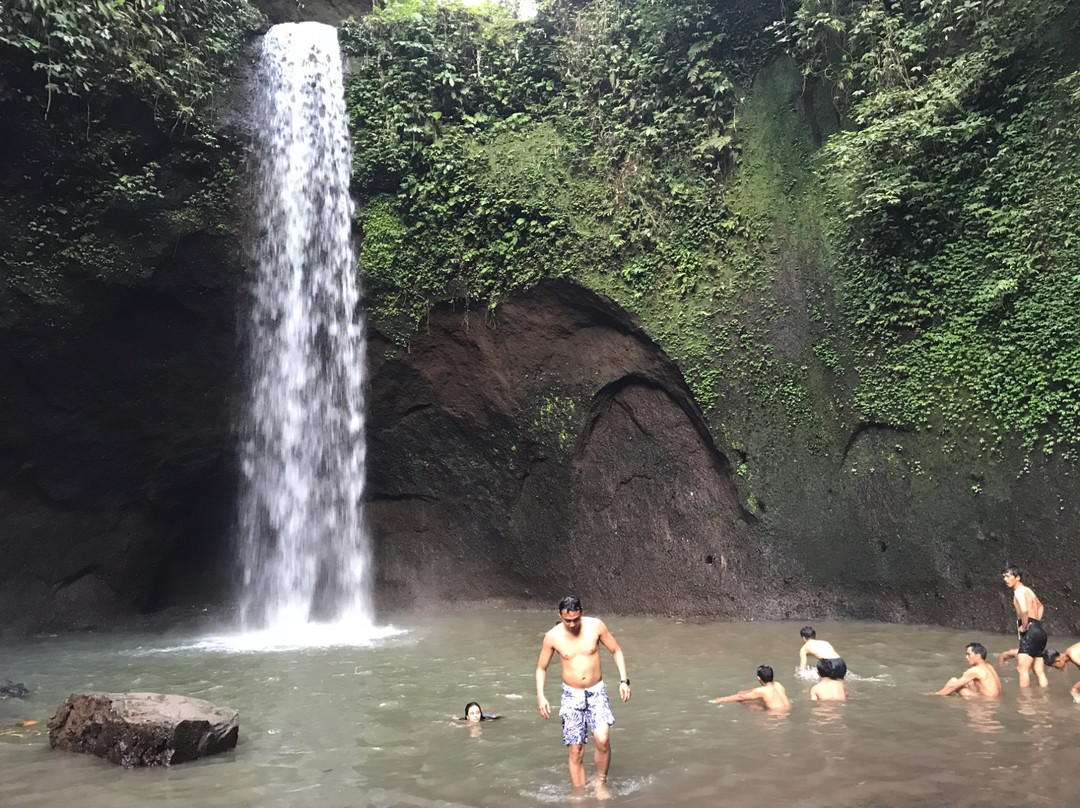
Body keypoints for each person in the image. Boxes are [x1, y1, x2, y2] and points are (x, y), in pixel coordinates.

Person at [536, 596, 630, 796]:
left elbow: (616, 650)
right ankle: (579, 794)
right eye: (567, 620)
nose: (571, 624)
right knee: (575, 749)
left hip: (596, 691)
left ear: (581, 613)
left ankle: (600, 782)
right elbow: (541, 668)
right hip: (571, 695)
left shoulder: (596, 626)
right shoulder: (552, 637)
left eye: (575, 619)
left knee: (602, 739)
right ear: (559, 616)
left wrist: (624, 680)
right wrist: (541, 696)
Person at [1002, 565, 1047, 687]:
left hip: (1030, 630)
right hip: (1040, 631)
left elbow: (1024, 610)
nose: (1005, 579)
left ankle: (1025, 702)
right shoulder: (1029, 591)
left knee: (1022, 670)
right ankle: (1044, 695)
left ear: (1017, 577)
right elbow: (1041, 606)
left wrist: (1025, 626)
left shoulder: (1018, 592)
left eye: (1007, 576)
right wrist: (1036, 623)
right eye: (1004, 577)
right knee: (1039, 671)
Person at [935, 642, 1002, 698]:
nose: (966, 657)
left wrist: (935, 696)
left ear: (978, 656)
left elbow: (952, 687)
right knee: (968, 679)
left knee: (953, 681)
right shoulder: (989, 667)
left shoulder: (975, 670)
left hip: (985, 702)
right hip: (994, 700)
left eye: (968, 654)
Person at [711, 664, 791, 710]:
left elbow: (740, 697)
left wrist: (719, 700)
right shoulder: (778, 685)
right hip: (786, 711)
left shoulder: (763, 691)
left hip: (776, 718)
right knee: (756, 702)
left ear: (759, 679)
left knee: (746, 704)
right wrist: (746, 692)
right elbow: (757, 690)